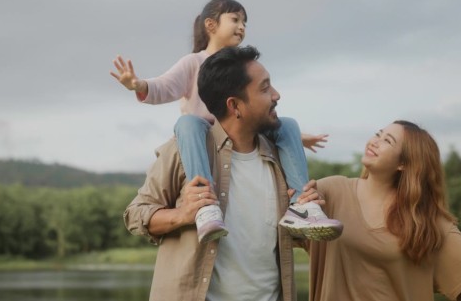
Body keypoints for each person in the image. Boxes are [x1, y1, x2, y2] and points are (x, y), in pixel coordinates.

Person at [112, 0, 342, 243]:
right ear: (210, 25)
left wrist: (297, 137)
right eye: (235, 19)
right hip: (204, 133)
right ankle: (205, 203)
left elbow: (258, 111)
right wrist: (138, 85)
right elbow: (165, 86)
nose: (241, 26)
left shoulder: (243, 68)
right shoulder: (194, 62)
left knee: (289, 124)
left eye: (244, 22)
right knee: (186, 123)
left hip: (240, 130)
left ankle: (301, 206)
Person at [124, 45, 322, 301]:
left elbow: (271, 237)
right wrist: (183, 215)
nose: (276, 95)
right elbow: (135, 214)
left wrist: (304, 213)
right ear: (234, 105)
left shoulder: (281, 156)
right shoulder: (184, 151)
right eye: (264, 88)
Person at [304, 120, 461, 301]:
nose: (375, 142)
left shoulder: (422, 220)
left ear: (403, 164)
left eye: (387, 141)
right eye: (378, 134)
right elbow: (293, 209)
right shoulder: (332, 190)